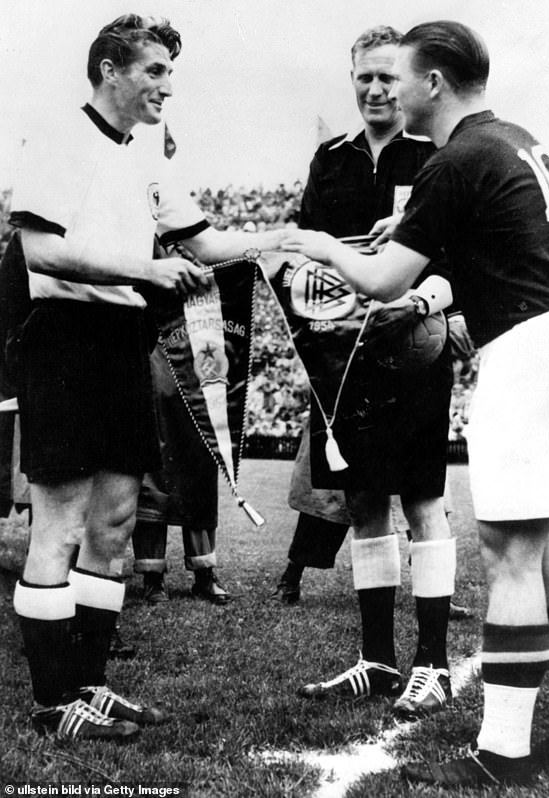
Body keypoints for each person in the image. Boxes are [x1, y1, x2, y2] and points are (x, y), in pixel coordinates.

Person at [281, 20, 549, 787]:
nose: (391, 91)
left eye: (400, 77)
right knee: (546, 551)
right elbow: (487, 240)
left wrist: (321, 245)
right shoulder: (510, 138)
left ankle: (503, 749)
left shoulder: (454, 157)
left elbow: (381, 283)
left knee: (510, 553)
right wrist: (404, 229)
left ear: (433, 82)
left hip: (531, 353)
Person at [10, 13, 283, 743]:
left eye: (170, 72)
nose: (167, 86)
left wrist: (289, 237)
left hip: (121, 339)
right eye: (154, 70)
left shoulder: (148, 154)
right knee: (61, 523)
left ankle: (91, 686)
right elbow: (41, 251)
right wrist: (144, 268)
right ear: (109, 69)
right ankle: (52, 702)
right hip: (63, 341)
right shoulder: (58, 137)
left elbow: (207, 241)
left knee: (116, 523)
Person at [274, 26, 459, 722]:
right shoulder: (331, 159)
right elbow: (304, 247)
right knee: (362, 502)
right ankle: (377, 660)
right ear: (350, 79)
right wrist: (299, 282)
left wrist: (421, 299)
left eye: (389, 77)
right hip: (338, 351)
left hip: (411, 340)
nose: (377, 90)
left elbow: (455, 253)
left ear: (410, 79)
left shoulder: (438, 153)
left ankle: (434, 664)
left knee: (420, 498)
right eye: (365, 78)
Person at [132, 345, 231, 606]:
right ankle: (152, 576)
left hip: (195, 347)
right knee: (152, 473)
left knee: (199, 470)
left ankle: (204, 573)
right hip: (154, 349)